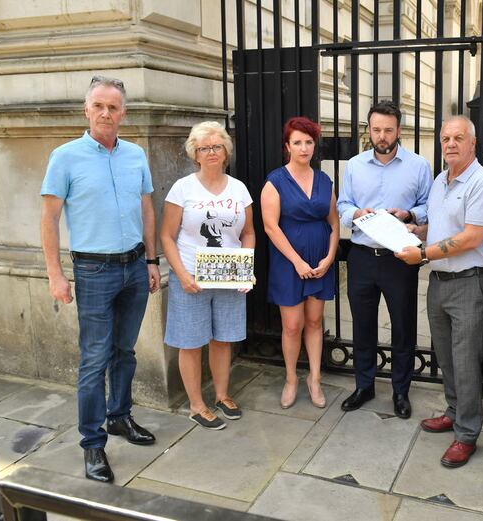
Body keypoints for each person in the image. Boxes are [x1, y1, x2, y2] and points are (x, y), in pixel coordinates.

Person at [40, 75, 160, 483]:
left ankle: (119, 417)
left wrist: (152, 260)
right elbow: (50, 220)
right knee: (93, 361)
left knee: (124, 352)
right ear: (86, 110)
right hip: (92, 270)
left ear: (123, 112)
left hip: (135, 267)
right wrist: (56, 274)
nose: (106, 113)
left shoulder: (135, 155)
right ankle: (92, 445)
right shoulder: (65, 156)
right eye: (99, 106)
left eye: (113, 106)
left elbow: (147, 209)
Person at [397, 115, 483, 467]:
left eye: (458, 138)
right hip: (439, 282)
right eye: (445, 139)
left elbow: (473, 236)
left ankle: (467, 433)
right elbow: (442, 228)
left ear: (473, 142)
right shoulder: (441, 180)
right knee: (445, 356)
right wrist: (416, 231)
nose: (450, 144)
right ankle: (455, 411)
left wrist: (423, 253)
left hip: (469, 283)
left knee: (466, 360)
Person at [337, 101, 433, 418]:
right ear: (369, 129)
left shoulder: (419, 166)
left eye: (388, 130)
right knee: (363, 327)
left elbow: (428, 206)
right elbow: (343, 204)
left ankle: (400, 392)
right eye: (376, 129)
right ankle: (364, 386)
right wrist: (355, 214)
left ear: (398, 131)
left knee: (404, 327)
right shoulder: (354, 165)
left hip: (399, 259)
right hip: (362, 256)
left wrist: (410, 213)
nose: (382, 136)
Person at [160, 121, 256, 431]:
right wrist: (182, 274)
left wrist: (246, 268)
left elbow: (249, 232)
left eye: (217, 146)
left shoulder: (239, 188)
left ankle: (222, 395)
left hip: (227, 274)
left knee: (222, 339)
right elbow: (166, 236)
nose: (211, 152)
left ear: (226, 151)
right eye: (204, 148)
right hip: (191, 276)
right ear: (195, 154)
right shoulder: (182, 188)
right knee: (190, 342)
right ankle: (196, 405)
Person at [262, 117, 339, 410]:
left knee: (315, 321)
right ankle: (292, 378)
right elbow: (271, 227)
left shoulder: (323, 180)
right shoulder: (275, 181)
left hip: (320, 261)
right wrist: (296, 261)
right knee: (292, 325)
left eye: (308, 142)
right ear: (287, 146)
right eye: (298, 142)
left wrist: (330, 257)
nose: (304, 148)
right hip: (288, 263)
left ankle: (315, 379)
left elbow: (334, 221)